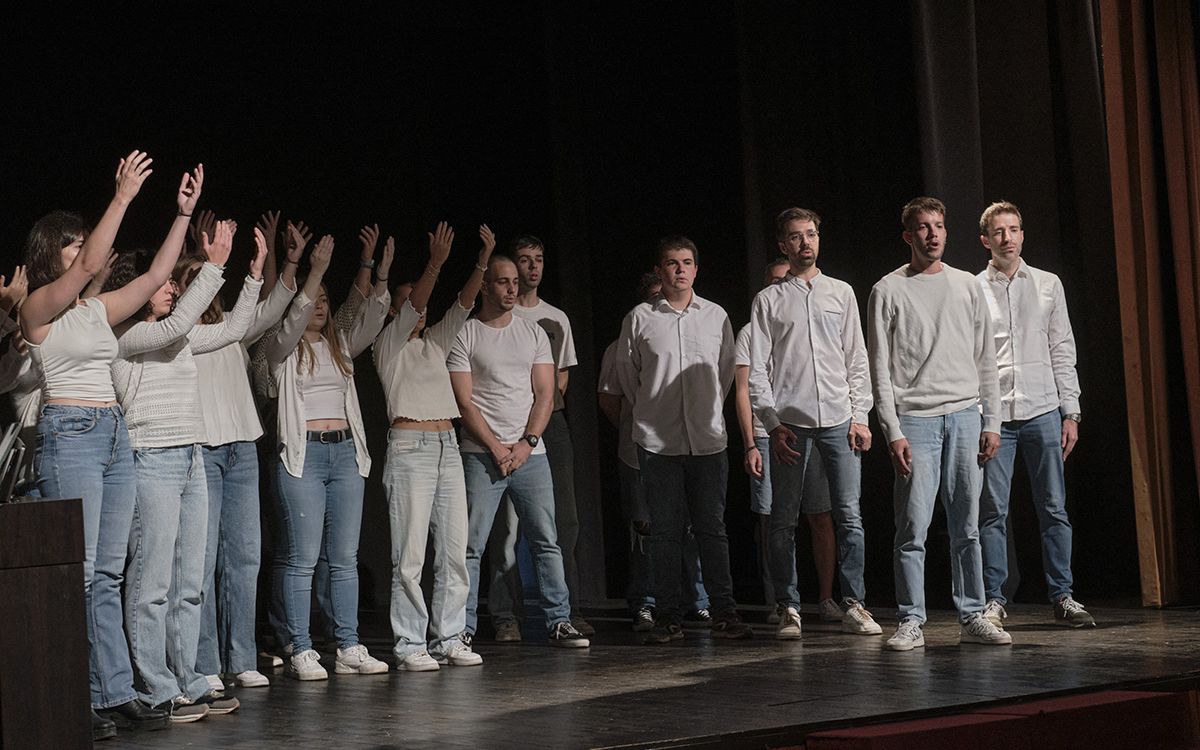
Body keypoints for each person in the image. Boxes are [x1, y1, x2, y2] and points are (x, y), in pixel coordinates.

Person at [21, 151, 174, 737]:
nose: (84, 250)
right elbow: (87, 264)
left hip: (112, 434)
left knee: (109, 572)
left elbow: (157, 279)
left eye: (82, 242)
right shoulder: (38, 310)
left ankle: (114, 691)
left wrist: (182, 216)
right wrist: (122, 196)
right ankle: (74, 693)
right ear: (49, 254)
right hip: (71, 436)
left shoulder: (94, 312)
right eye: (71, 243)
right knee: (79, 575)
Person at [108, 220, 263, 721]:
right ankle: (154, 684)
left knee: (189, 579)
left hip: (191, 456)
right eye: (165, 281)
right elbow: (175, 327)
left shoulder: (178, 336)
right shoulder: (125, 334)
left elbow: (235, 329)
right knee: (152, 583)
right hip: (150, 457)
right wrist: (213, 266)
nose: (171, 286)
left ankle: (188, 677)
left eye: (175, 281)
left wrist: (254, 275)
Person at [866, 196, 1012, 651]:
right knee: (913, 528)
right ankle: (911, 619)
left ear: (947, 232)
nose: (933, 234)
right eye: (923, 227)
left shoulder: (967, 285)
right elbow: (880, 369)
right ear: (909, 235)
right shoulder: (887, 289)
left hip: (966, 416)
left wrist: (993, 420)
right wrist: (893, 430)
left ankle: (972, 612)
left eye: (939, 226)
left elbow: (986, 357)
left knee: (967, 525)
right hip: (917, 421)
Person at [748, 210, 881, 640]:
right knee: (784, 519)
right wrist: (770, 422)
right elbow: (758, 371)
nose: (805, 243)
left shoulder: (840, 292)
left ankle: (855, 603)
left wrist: (861, 417)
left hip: (839, 422)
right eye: (795, 237)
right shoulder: (768, 300)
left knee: (849, 516)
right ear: (783, 245)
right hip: (791, 424)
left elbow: (857, 360)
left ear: (818, 240)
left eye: (811, 235)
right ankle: (788, 606)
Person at [266, 232, 392, 680]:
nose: (317, 305)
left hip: (344, 457)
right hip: (305, 457)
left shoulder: (340, 347)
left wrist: (380, 271)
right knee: (302, 558)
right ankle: (300, 647)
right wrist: (312, 271)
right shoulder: (280, 348)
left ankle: (349, 644)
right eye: (311, 299)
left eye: (324, 299)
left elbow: (374, 316)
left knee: (344, 558)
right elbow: (292, 317)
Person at [447, 254, 590, 648]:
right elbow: (464, 402)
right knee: (473, 545)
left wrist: (526, 444)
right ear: (486, 286)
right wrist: (495, 446)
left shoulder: (532, 333)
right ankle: (463, 627)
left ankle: (558, 620)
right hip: (481, 455)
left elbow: (546, 394)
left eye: (514, 282)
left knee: (547, 540)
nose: (512, 288)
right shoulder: (466, 333)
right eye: (502, 282)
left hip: (530, 455)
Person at [615, 236, 751, 643]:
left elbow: (725, 374)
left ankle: (724, 610)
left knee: (712, 529)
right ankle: (668, 615)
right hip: (659, 443)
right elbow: (628, 377)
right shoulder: (639, 318)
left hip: (707, 441)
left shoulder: (715, 316)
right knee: (665, 532)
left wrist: (705, 413)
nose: (679, 270)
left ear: (696, 269)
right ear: (660, 271)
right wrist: (653, 417)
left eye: (686, 263)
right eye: (671, 263)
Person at [374, 222, 495, 670]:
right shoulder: (387, 345)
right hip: (410, 448)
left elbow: (463, 304)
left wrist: (482, 261)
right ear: (393, 310)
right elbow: (418, 302)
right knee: (409, 555)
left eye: (418, 304)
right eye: (406, 303)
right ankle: (409, 643)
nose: (417, 310)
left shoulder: (435, 344)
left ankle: (448, 636)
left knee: (454, 549)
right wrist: (435, 265)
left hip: (448, 447)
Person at [189, 222, 301, 690]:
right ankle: (206, 665)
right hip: (203, 450)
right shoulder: (177, 334)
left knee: (245, 558)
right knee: (204, 560)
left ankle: (241, 657)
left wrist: (272, 263)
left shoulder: (235, 330)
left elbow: (274, 307)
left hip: (241, 451)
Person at [975, 201, 1094, 628]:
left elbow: (1062, 349)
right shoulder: (972, 289)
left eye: (1014, 229)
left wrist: (1071, 412)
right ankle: (993, 598)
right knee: (992, 511)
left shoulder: (1048, 284)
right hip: (995, 418)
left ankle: (1062, 594)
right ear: (985, 240)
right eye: (999, 231)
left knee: (1053, 507)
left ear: (1023, 234)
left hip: (1043, 408)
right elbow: (971, 357)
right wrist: (978, 415)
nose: (1007, 238)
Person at [488, 234, 592, 640]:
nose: (532, 268)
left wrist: (535, 420)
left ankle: (568, 609)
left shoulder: (555, 318)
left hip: (550, 425)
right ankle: (505, 614)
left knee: (562, 522)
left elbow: (559, 380)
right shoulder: (495, 318)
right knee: (505, 528)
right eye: (525, 261)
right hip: (502, 426)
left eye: (539, 260)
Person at [598, 272, 710, 631]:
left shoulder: (692, 333)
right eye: (654, 297)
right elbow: (612, 397)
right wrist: (639, 428)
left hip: (687, 446)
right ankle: (646, 602)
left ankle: (698, 599)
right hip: (640, 451)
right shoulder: (622, 344)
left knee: (690, 528)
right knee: (645, 532)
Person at [736, 256, 843, 629]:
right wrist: (753, 440)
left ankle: (827, 598)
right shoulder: (753, 327)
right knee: (777, 520)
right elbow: (745, 387)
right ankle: (784, 601)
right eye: (778, 280)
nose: (788, 285)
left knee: (821, 514)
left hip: (815, 425)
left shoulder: (828, 300)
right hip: (773, 430)